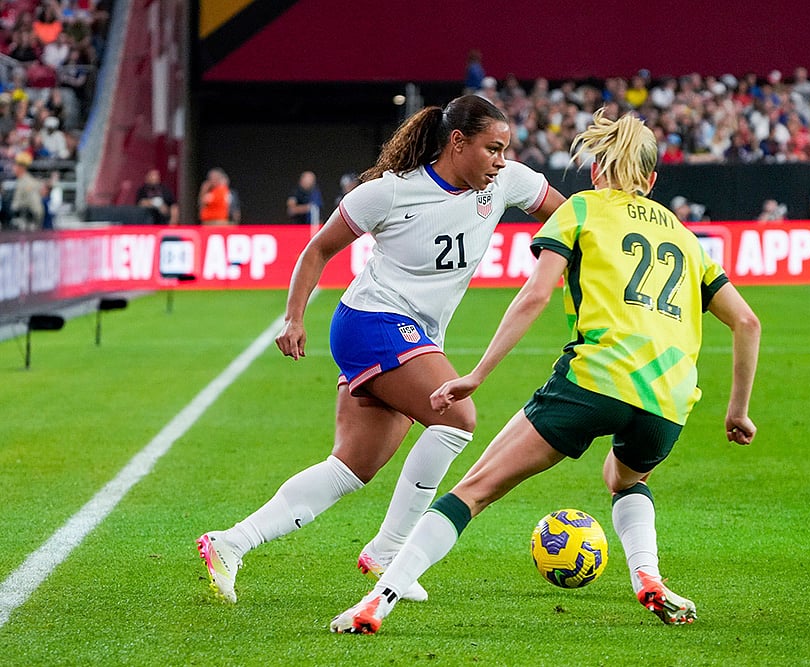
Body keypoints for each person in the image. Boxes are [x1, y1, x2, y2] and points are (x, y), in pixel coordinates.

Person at [331, 109, 761, 634]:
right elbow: (746, 321)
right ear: (651, 180)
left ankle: (378, 601)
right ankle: (647, 576)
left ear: (598, 172)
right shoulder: (687, 238)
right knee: (626, 478)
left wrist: (478, 374)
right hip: (668, 400)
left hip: (595, 380)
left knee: (474, 491)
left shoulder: (580, 210)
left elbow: (534, 295)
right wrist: (736, 411)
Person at [196, 94, 565, 605]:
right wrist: (295, 317)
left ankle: (229, 543)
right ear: (457, 143)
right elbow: (318, 249)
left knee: (351, 468)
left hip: (415, 334)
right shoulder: (389, 194)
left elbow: (569, 218)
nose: (501, 161)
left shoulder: (505, 183)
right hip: (371, 321)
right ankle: (391, 550)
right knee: (457, 417)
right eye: (492, 149)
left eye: (506, 150)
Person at [10, 151, 44, 231]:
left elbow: (37, 208)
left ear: (21, 167)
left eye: (15, 165)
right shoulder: (20, 181)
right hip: (18, 223)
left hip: (26, 225)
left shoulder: (28, 183)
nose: (13, 167)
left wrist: (34, 223)